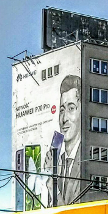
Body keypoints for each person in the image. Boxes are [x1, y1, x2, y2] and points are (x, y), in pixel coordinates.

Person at [44, 74, 82, 206]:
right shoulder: (59, 164)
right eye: (61, 110)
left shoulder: (86, 162)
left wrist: (51, 183)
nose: (64, 118)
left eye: (71, 108)